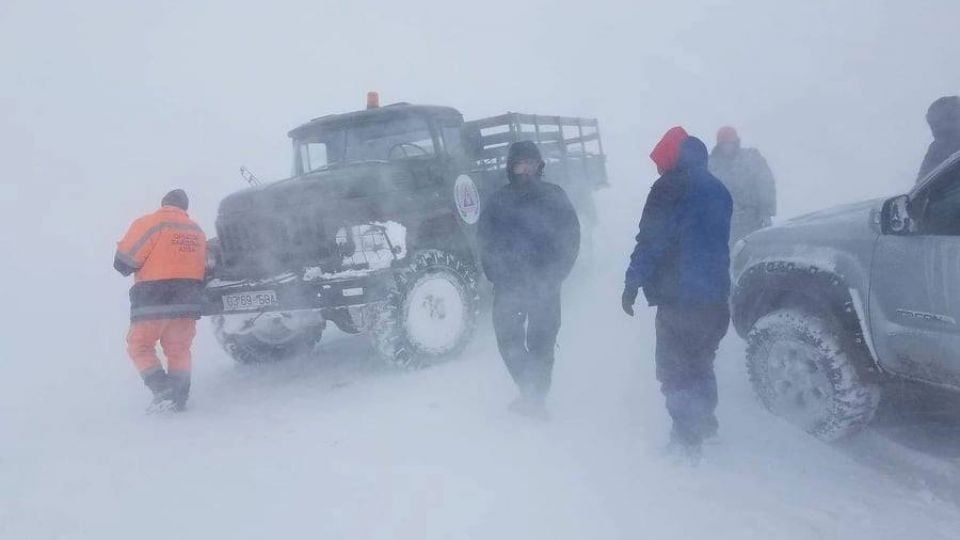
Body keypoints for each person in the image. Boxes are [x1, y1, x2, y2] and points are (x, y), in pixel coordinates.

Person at [621, 130, 732, 458]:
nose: (658, 172)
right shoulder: (718, 188)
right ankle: (707, 425)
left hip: (680, 298)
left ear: (669, 158)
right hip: (715, 298)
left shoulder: (668, 187)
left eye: (660, 165)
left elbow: (651, 240)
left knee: (675, 370)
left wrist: (632, 282)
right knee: (701, 363)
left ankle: (686, 441)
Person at [477, 141, 580, 418]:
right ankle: (529, 390)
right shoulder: (498, 200)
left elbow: (571, 238)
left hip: (546, 284)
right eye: (519, 164)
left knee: (542, 342)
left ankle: (537, 399)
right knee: (507, 341)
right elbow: (485, 239)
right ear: (511, 167)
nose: (525, 169)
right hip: (509, 285)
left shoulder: (554, 196)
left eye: (530, 164)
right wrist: (493, 273)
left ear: (539, 166)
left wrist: (557, 274)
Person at [114, 189, 207, 412]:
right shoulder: (197, 231)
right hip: (187, 300)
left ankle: (163, 390)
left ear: (164, 203)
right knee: (179, 349)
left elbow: (124, 263)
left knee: (140, 346)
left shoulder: (151, 223)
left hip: (153, 298)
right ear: (185, 208)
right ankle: (179, 397)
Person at [708, 126, 776, 247]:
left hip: (751, 220)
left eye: (730, 143)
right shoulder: (712, 166)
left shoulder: (751, 158)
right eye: (724, 144)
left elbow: (765, 183)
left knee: (752, 252)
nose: (727, 147)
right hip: (723, 224)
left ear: (736, 143)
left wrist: (766, 212)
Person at [917, 96, 960, 182]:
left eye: (937, 124)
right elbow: (922, 186)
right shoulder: (935, 152)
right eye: (933, 125)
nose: (935, 130)